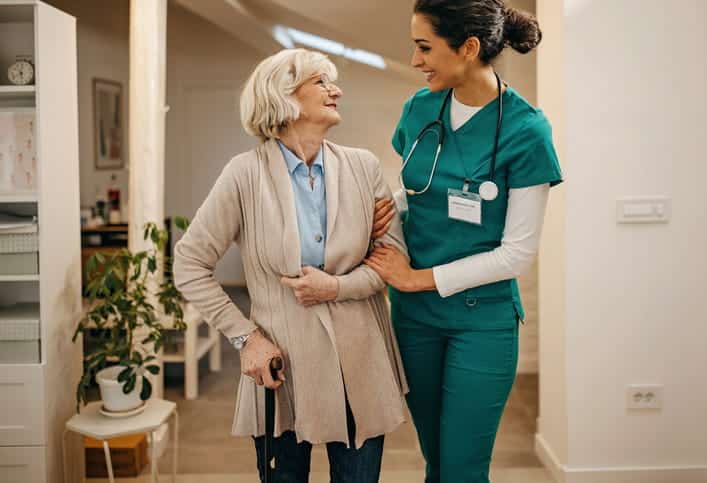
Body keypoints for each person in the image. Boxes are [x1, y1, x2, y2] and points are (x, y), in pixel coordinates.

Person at [173, 48, 408, 483]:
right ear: (283, 94)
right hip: (282, 370)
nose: (336, 90)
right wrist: (245, 338)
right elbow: (189, 262)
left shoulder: (364, 167)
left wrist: (335, 288)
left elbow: (392, 260)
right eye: (321, 81)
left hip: (360, 364)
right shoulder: (243, 174)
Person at [364, 1, 563, 482]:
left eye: (424, 47)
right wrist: (386, 205)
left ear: (469, 48)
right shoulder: (420, 108)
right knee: (436, 460)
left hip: (482, 322)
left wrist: (414, 279)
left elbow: (517, 254)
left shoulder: (526, 130)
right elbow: (421, 191)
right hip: (414, 321)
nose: (415, 61)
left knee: (462, 469)